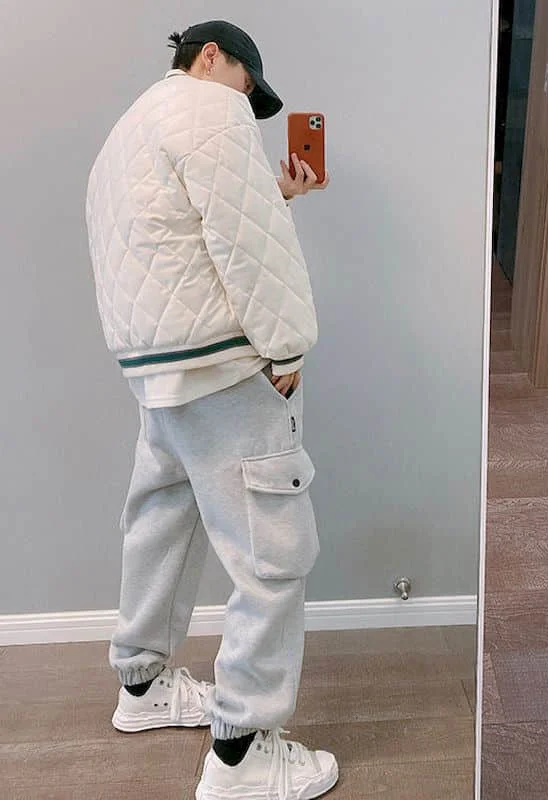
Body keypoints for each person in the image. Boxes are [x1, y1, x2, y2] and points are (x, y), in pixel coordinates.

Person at [84, 19, 338, 800]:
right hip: (221, 366)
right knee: (272, 552)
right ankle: (241, 755)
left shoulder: (130, 127)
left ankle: (142, 687)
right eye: (245, 84)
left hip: (157, 369)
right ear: (211, 56)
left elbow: (181, 229)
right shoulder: (210, 106)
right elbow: (248, 245)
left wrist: (276, 193)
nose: (245, 101)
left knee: (161, 520)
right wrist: (287, 347)